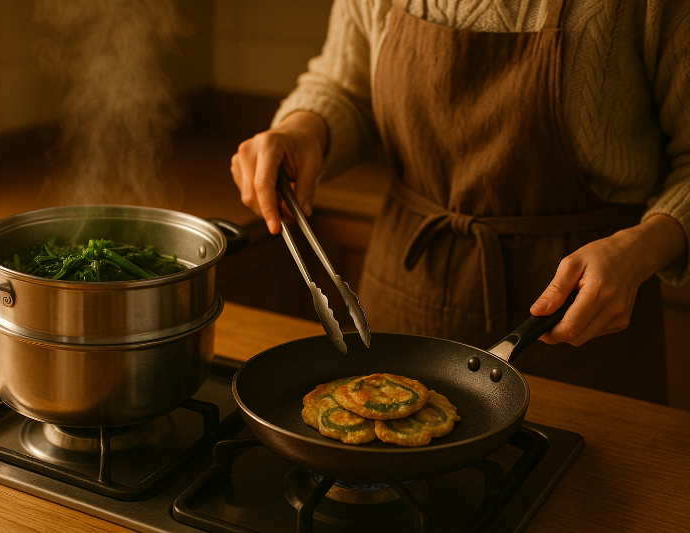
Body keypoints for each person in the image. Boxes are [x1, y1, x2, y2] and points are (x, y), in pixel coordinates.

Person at [230, 0, 690, 404]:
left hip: (584, 321)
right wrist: (302, 131)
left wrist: (643, 249)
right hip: (405, 298)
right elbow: (344, 83)